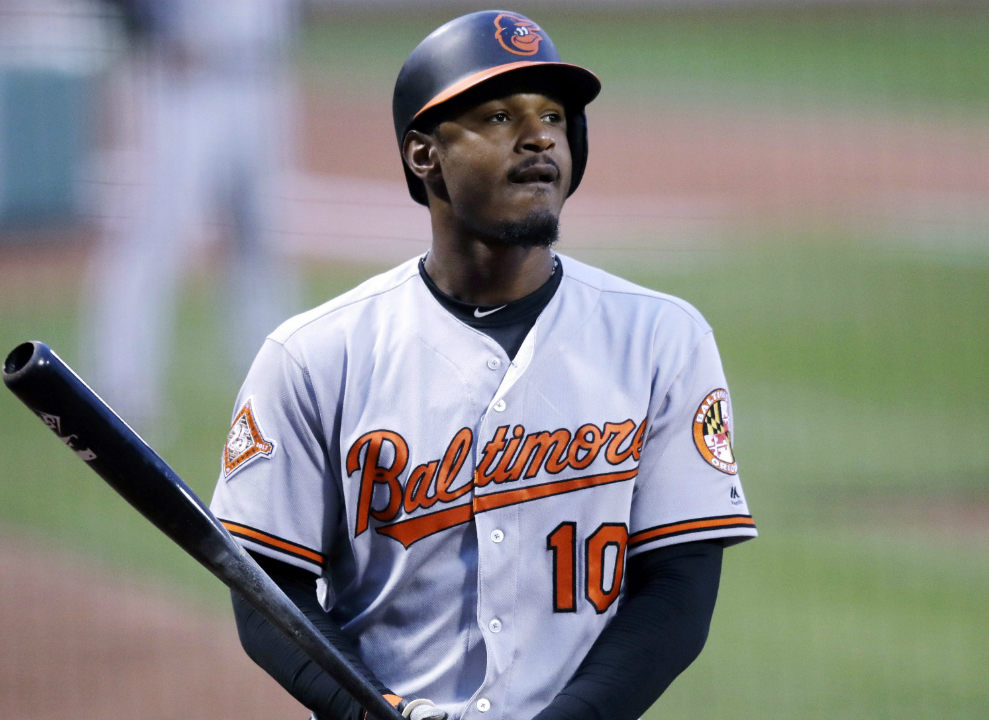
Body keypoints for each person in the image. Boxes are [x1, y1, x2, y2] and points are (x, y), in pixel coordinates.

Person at [209, 11, 756, 720]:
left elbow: (678, 589)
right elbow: (266, 597)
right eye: (499, 116)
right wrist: (372, 711)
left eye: (554, 117)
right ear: (423, 155)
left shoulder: (661, 337)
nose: (539, 137)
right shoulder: (317, 354)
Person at [84, 0, 301, 434]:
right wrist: (154, 28)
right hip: (184, 80)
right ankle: (120, 389)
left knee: (260, 243)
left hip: (262, 74)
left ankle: (276, 390)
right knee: (153, 237)